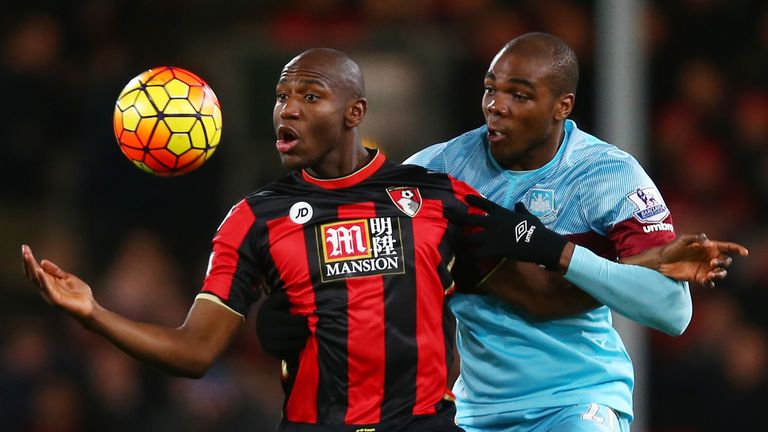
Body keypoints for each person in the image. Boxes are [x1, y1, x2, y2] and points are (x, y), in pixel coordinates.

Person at [24, 47, 740, 432]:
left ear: (354, 112)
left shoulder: (431, 193)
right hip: (435, 416)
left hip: (528, 409)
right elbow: (199, 348)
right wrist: (95, 313)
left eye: (309, 95)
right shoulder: (261, 217)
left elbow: (546, 294)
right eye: (279, 96)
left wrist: (628, 261)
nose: (288, 109)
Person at [256, 35, 749, 432]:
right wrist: (298, 313)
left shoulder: (607, 175)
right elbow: (372, 267)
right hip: (474, 411)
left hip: (578, 402)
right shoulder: (437, 171)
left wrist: (553, 249)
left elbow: (672, 310)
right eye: (491, 89)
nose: (497, 106)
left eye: (519, 94)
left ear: (563, 106)